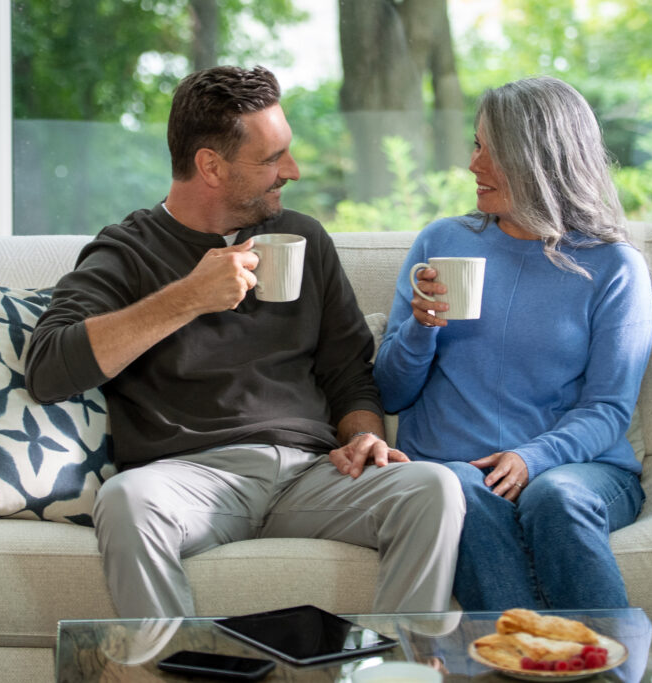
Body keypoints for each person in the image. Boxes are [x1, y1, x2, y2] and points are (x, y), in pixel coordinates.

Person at [25, 65, 464, 618]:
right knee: (126, 501)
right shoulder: (126, 250)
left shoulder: (302, 237)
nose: (294, 171)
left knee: (432, 488)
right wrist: (188, 296)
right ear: (210, 165)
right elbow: (47, 369)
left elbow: (348, 371)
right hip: (192, 480)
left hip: (312, 473)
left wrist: (364, 438)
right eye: (272, 159)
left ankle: (398, 672)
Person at [373, 76, 652, 611]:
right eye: (476, 146)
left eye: (491, 151)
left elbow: (608, 409)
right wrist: (421, 326)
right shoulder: (441, 242)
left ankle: (622, 671)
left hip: (575, 469)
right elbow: (390, 393)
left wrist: (533, 459)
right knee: (455, 487)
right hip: (455, 466)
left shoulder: (615, 268)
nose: (474, 166)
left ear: (540, 158)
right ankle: (523, 660)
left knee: (555, 497)